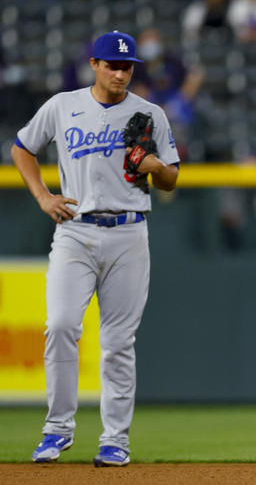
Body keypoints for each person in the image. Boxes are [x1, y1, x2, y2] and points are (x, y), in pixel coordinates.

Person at [11, 31, 180, 466]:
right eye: (112, 65)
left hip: (129, 231)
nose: (120, 72)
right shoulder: (63, 106)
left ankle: (115, 441)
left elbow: (171, 180)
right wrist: (43, 196)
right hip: (76, 229)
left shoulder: (150, 113)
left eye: (127, 66)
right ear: (94, 64)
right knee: (62, 325)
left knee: (118, 342)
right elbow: (22, 148)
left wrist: (156, 166)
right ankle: (57, 430)